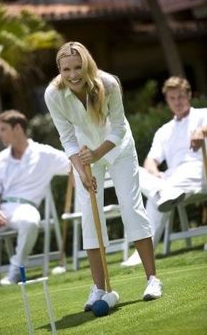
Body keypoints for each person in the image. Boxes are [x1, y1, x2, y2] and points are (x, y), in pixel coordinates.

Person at [44, 41, 163, 311]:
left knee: (131, 208)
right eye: (66, 69)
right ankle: (99, 288)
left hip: (117, 149)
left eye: (78, 67)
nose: (73, 74)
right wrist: (81, 170)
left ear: (87, 64)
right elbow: (67, 137)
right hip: (86, 155)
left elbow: (119, 127)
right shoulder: (53, 94)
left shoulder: (108, 84)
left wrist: (98, 154)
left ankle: (152, 279)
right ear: (59, 69)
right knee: (89, 216)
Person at [0, 110, 70, 292]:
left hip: (26, 207)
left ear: (17, 128)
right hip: (2, 211)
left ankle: (16, 271)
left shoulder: (44, 153)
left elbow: (72, 165)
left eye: (3, 129)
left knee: (29, 221)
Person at [122, 76, 207, 267]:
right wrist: (154, 171)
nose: (177, 102)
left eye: (180, 97)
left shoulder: (203, 114)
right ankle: (162, 192)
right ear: (167, 100)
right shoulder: (164, 130)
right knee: (134, 170)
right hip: (172, 178)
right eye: (172, 98)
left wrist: (202, 130)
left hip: (199, 170)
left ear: (189, 95)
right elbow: (151, 160)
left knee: (161, 191)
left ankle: (143, 251)